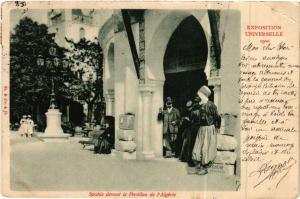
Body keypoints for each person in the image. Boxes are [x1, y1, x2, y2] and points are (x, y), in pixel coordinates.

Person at [191, 86, 221, 175]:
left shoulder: (211, 105)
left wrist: (217, 127)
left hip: (209, 129)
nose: (198, 96)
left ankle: (205, 168)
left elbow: (217, 117)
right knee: (197, 148)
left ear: (204, 95)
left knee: (206, 149)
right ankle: (200, 165)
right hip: (201, 129)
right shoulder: (199, 106)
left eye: (199, 94)